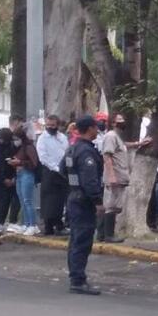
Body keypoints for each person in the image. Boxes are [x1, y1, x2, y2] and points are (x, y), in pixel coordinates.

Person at [63, 116, 104, 295]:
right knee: (82, 241)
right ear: (89, 129)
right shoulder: (86, 152)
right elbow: (90, 180)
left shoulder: (72, 149)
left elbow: (62, 170)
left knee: (75, 240)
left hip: (74, 197)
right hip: (83, 201)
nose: (97, 130)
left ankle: (76, 276)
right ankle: (78, 280)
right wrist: (97, 201)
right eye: (95, 127)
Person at [100, 114, 151, 244]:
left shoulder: (117, 137)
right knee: (112, 206)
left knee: (115, 205)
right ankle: (108, 235)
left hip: (120, 176)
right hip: (115, 177)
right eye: (119, 120)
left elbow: (123, 146)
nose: (123, 122)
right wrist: (111, 176)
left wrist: (138, 143)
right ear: (112, 123)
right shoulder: (111, 136)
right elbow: (107, 156)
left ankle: (103, 234)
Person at [36, 115, 70, 236]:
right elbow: (43, 157)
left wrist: (64, 168)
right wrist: (55, 168)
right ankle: (48, 226)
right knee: (48, 200)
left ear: (58, 125)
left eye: (53, 125)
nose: (50, 127)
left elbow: (66, 152)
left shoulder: (62, 138)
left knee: (59, 200)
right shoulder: (42, 139)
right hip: (49, 171)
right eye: (48, 125)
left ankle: (59, 225)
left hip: (62, 172)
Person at [10, 125, 41, 236]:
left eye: (17, 138)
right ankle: (27, 223)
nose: (15, 141)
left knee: (28, 200)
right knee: (22, 200)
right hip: (19, 174)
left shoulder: (29, 147)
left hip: (27, 174)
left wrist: (19, 162)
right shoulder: (20, 147)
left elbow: (34, 163)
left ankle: (32, 225)